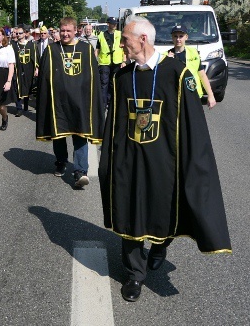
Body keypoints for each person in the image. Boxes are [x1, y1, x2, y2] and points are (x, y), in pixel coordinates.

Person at [98, 15, 231, 302]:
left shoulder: (177, 73)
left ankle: (159, 246)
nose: (121, 45)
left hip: (164, 162)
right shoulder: (123, 77)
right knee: (130, 212)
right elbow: (116, 123)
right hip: (130, 160)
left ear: (143, 40)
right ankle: (135, 275)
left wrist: (192, 162)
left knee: (163, 211)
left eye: (126, 40)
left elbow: (192, 124)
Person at [35, 17, 103, 188]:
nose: (65, 34)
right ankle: (61, 161)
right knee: (59, 134)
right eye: (62, 30)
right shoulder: (52, 50)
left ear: (75, 31)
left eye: (68, 31)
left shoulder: (86, 49)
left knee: (80, 134)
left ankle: (80, 171)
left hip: (80, 101)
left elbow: (92, 77)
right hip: (58, 102)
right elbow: (44, 77)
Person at [166, 24, 216, 108]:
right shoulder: (165, 56)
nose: (178, 39)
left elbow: (202, 75)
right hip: (175, 97)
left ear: (186, 37)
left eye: (181, 36)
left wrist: (210, 95)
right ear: (172, 38)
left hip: (193, 95)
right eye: (175, 36)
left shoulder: (193, 52)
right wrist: (168, 62)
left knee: (195, 121)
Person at [96, 17, 125, 109]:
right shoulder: (101, 35)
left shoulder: (120, 34)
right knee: (104, 83)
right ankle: (103, 104)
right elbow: (97, 49)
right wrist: (95, 61)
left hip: (117, 62)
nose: (115, 25)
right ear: (108, 24)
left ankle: (112, 102)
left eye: (116, 23)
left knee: (114, 83)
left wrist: (124, 61)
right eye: (113, 23)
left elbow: (124, 48)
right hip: (104, 62)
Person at [11, 25, 37, 117]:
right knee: (17, 88)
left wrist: (36, 68)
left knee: (27, 87)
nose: (18, 35)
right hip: (17, 69)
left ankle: (26, 105)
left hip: (28, 69)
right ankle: (19, 108)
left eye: (20, 33)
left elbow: (35, 57)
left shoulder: (31, 45)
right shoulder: (13, 45)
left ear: (25, 33)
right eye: (17, 33)